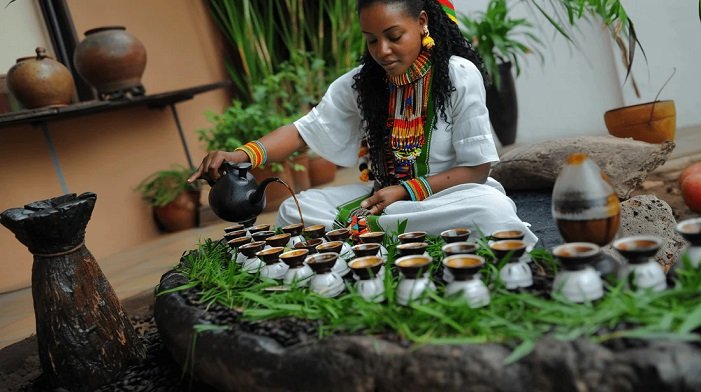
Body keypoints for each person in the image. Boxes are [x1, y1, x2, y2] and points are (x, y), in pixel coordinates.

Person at [188, 0, 536, 243]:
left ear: (422, 22)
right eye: (372, 40)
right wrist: (241, 157)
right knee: (299, 210)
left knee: (490, 210)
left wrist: (406, 190)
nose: (382, 50)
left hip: (446, 198)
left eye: (393, 36)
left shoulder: (458, 74)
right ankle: (389, 236)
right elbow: (303, 130)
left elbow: (477, 169)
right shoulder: (362, 81)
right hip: (379, 200)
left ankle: (374, 239)